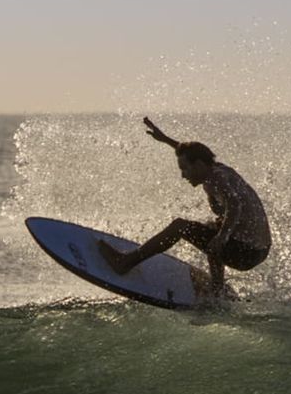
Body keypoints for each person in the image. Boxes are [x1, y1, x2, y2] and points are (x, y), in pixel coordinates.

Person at [99, 117, 271, 296]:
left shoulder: (215, 180)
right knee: (213, 227)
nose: (183, 175)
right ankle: (217, 290)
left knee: (181, 227)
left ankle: (124, 263)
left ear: (198, 165)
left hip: (246, 252)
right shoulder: (218, 169)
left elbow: (236, 205)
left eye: (185, 169)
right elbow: (194, 155)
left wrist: (222, 237)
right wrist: (166, 140)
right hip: (259, 250)